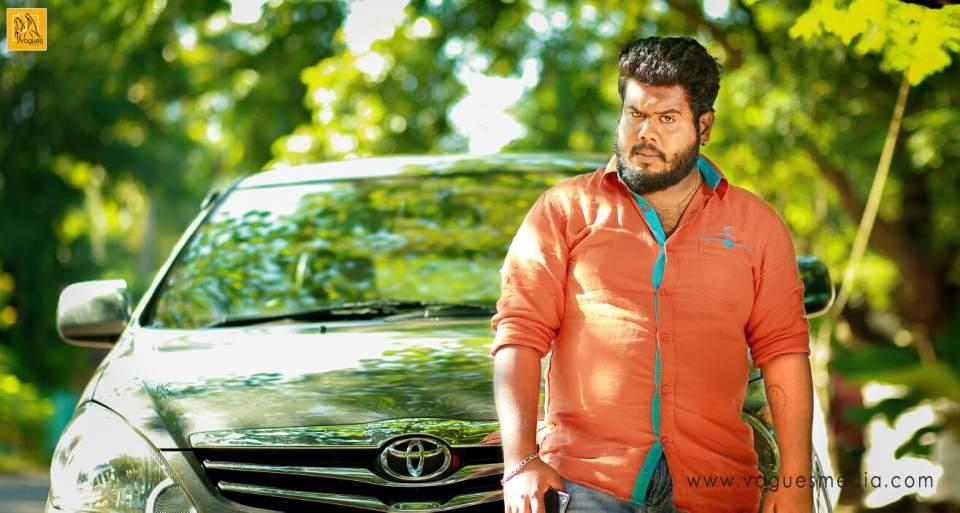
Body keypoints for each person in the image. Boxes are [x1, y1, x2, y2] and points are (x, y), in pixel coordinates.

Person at [491, 36, 813, 513]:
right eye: (635, 114)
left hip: (718, 489)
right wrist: (520, 462)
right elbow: (519, 335)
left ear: (704, 126)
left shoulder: (756, 226)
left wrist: (796, 479)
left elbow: (784, 351)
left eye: (667, 119)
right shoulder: (563, 211)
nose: (646, 133)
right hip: (586, 485)